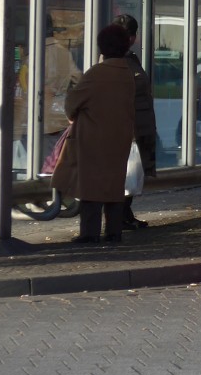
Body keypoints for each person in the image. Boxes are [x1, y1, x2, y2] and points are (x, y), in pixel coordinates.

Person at [51, 24, 137, 244]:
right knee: (114, 186)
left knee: (91, 189)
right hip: (119, 138)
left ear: (103, 48)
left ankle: (89, 234)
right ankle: (114, 232)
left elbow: (72, 103)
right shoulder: (127, 74)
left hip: (93, 139)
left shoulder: (97, 73)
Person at [114, 13, 158, 229]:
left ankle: (125, 214)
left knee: (133, 175)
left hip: (139, 126)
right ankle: (120, 217)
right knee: (127, 174)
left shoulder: (131, 58)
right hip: (128, 127)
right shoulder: (115, 60)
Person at [42, 14, 80, 171]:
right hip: (59, 115)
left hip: (39, 117)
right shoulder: (64, 52)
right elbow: (78, 78)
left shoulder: (32, 53)